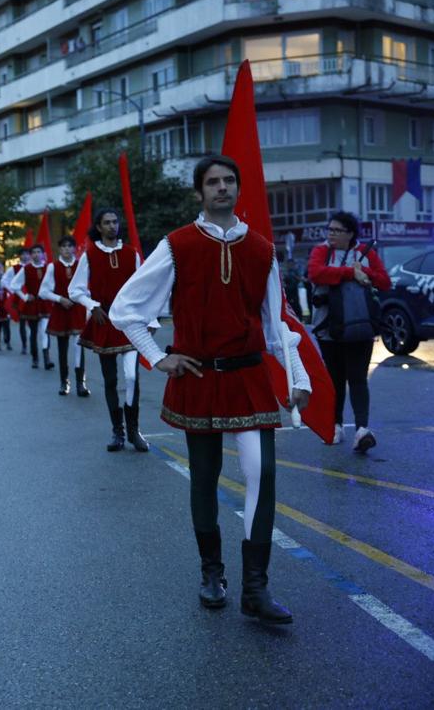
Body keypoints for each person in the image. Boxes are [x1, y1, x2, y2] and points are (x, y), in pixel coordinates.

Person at [110, 155, 311, 624]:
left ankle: (255, 588)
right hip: (199, 377)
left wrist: (297, 376)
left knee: (261, 472)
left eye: (229, 181)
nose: (221, 188)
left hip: (248, 377)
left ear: (238, 190)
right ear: (199, 193)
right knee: (204, 478)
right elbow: (126, 308)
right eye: (212, 182)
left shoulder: (262, 249)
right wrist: (158, 356)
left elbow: (275, 322)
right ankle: (212, 573)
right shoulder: (177, 245)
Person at [307, 211, 390, 452]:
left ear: (350, 233)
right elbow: (315, 273)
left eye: (337, 230)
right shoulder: (322, 251)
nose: (331, 234)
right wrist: (350, 273)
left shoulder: (366, 253)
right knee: (334, 379)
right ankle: (335, 426)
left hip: (360, 327)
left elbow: (384, 282)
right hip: (328, 328)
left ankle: (362, 430)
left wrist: (367, 274)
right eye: (329, 229)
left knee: (357, 378)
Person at [70, 209, 149, 451]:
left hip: (129, 322)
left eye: (115, 222)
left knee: (132, 376)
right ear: (99, 227)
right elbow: (75, 290)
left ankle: (134, 431)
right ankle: (118, 432)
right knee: (111, 380)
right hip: (104, 321)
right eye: (107, 223)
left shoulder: (131, 253)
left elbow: (143, 287)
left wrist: (149, 319)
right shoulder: (91, 255)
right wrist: (92, 306)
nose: (112, 226)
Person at [39, 235, 88, 396]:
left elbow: (88, 289)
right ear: (60, 249)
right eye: (64, 246)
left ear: (75, 248)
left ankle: (81, 383)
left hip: (77, 310)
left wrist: (83, 302)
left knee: (79, 347)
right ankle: (64, 382)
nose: (67, 249)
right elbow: (43, 291)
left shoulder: (82, 265)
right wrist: (60, 299)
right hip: (61, 310)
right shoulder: (53, 267)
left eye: (70, 246)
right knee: (62, 349)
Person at [9, 244, 54, 370]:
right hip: (32, 304)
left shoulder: (48, 268)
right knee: (33, 333)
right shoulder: (26, 269)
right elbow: (14, 285)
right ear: (31, 255)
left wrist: (52, 296)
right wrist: (24, 296)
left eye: (38, 252)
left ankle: (47, 358)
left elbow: (53, 284)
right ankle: (35, 358)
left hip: (45, 303)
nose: (36, 254)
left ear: (43, 254)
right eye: (33, 252)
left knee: (45, 331)